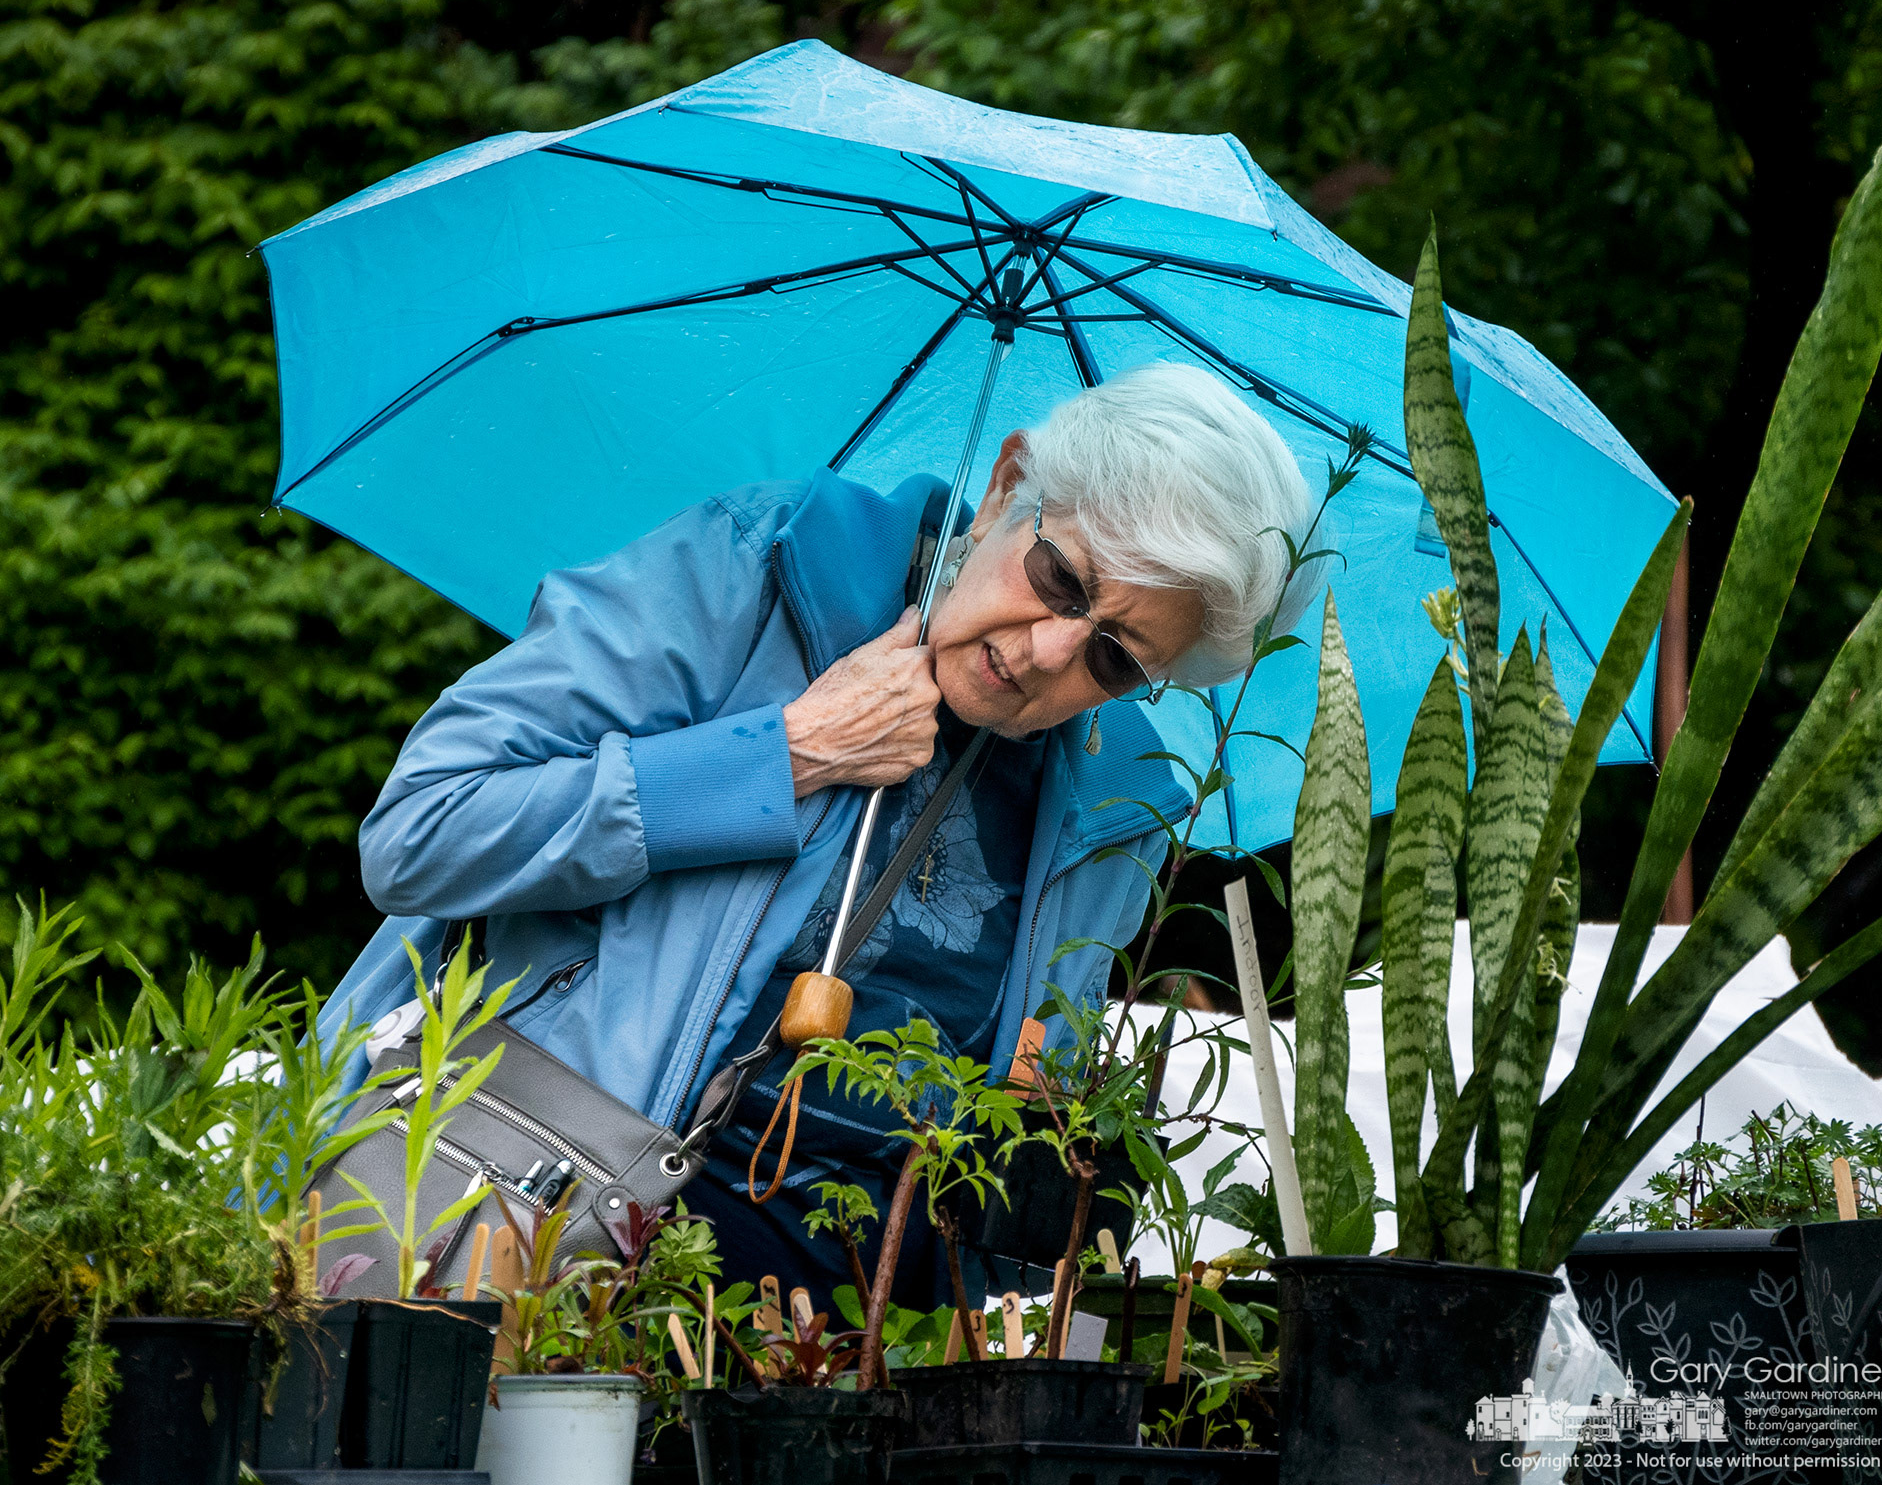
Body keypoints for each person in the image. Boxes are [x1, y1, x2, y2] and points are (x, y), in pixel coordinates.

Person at [318, 361, 1321, 1308]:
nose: (1046, 649)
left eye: (1113, 654)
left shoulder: (1122, 799)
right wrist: (785, 754)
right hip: (563, 1234)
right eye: (1060, 578)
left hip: (860, 1340)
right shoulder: (749, 576)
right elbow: (421, 829)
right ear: (1006, 485)